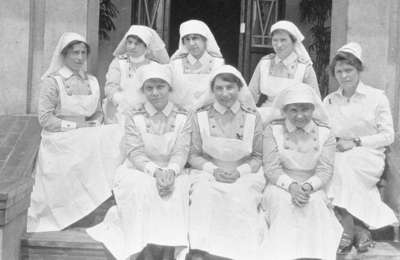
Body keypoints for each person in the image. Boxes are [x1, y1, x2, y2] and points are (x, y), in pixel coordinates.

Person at [87, 63, 191, 260]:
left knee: (178, 191)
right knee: (142, 188)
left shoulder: (183, 117)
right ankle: (140, 252)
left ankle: (170, 253)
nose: (155, 93)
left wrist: (170, 171)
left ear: (170, 88)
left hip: (173, 169)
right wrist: (156, 172)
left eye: (160, 87)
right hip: (140, 169)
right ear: (142, 90)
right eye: (149, 88)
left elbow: (181, 150)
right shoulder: (134, 116)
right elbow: (135, 152)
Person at [28, 32, 123, 232]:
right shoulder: (53, 82)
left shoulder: (92, 81)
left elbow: (97, 113)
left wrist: (95, 123)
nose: (79, 57)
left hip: (86, 134)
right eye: (74, 53)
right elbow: (45, 119)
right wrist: (77, 127)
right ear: (64, 55)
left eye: (83, 53)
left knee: (115, 133)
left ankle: (98, 204)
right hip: (59, 137)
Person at [324, 42, 398, 253]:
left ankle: (346, 229)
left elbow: (388, 136)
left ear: (358, 70)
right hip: (338, 150)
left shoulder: (376, 98)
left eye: (349, 70)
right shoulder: (330, 100)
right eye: (339, 71)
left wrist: (356, 142)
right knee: (332, 164)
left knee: (344, 165)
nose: (344, 75)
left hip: (368, 154)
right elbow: (323, 130)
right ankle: (357, 228)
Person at [188, 65, 265, 260]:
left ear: (239, 88)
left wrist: (240, 172)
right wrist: (214, 171)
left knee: (241, 197)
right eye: (219, 88)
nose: (225, 93)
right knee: (203, 195)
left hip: (245, 173)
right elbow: (194, 154)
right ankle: (200, 251)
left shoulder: (252, 116)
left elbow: (258, 156)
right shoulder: (200, 115)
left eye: (230, 87)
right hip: (208, 172)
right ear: (212, 90)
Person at [261, 83, 342, 260]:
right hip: (280, 185)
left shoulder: (325, 132)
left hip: (312, 185)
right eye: (293, 110)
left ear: (313, 108)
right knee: (284, 204)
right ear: (284, 111)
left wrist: (306, 187)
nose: (299, 115)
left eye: (305, 109)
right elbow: (271, 167)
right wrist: (292, 187)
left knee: (314, 205)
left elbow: (325, 169)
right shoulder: (273, 129)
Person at [248, 20, 320, 123]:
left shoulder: (304, 67)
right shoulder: (265, 62)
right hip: (266, 116)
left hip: (294, 118)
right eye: (275, 40)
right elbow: (251, 94)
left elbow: (315, 100)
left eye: (283, 40)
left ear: (294, 42)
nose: (278, 45)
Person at [103, 25, 169, 123]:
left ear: (146, 46)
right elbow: (110, 87)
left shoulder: (154, 65)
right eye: (130, 42)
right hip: (119, 112)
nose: (132, 47)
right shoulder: (119, 62)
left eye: (137, 43)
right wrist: (122, 100)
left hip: (147, 113)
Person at [170, 19, 225, 111]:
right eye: (187, 39)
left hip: (210, 117)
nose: (191, 43)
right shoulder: (176, 64)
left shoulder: (218, 64)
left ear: (204, 40)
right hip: (182, 116)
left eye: (195, 38)